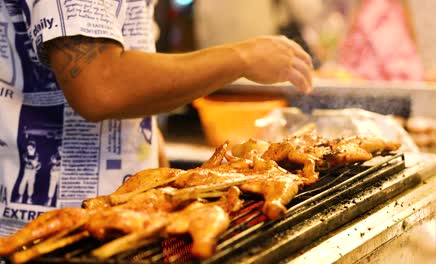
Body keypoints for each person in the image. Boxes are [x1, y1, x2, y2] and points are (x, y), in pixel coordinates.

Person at [0, 0, 312, 236]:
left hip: (124, 217)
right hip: (50, 231)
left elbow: (122, 60)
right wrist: (242, 58)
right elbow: (99, 85)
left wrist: (148, 139)